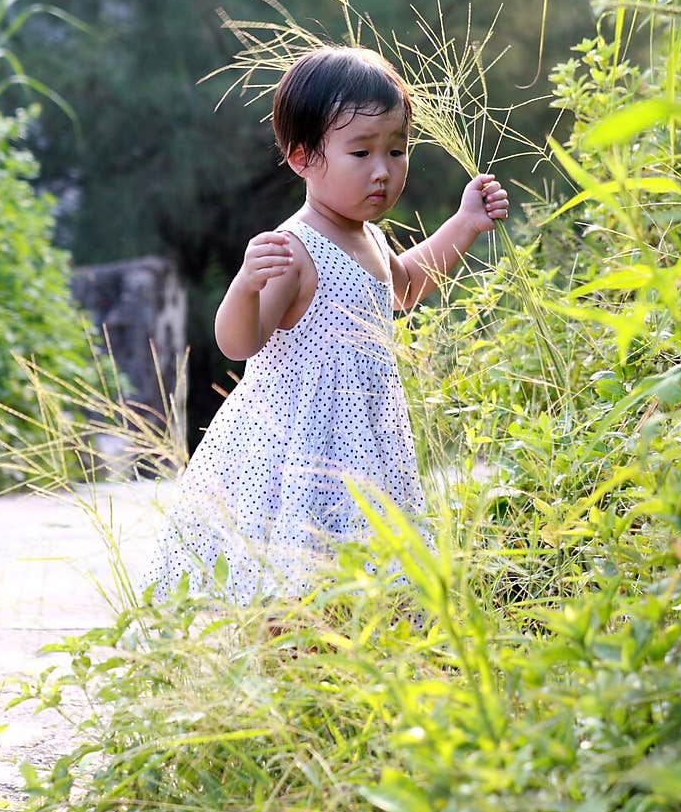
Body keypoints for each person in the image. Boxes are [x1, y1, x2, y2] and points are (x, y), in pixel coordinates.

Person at [142, 42, 509, 608]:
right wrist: (243, 286)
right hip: (301, 446)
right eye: (360, 153)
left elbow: (404, 287)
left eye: (398, 150)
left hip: (363, 438)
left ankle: (351, 670)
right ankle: (292, 665)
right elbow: (239, 341)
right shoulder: (295, 249)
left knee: (364, 572)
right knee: (296, 571)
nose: (383, 171)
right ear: (303, 158)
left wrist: (464, 223)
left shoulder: (369, 237)